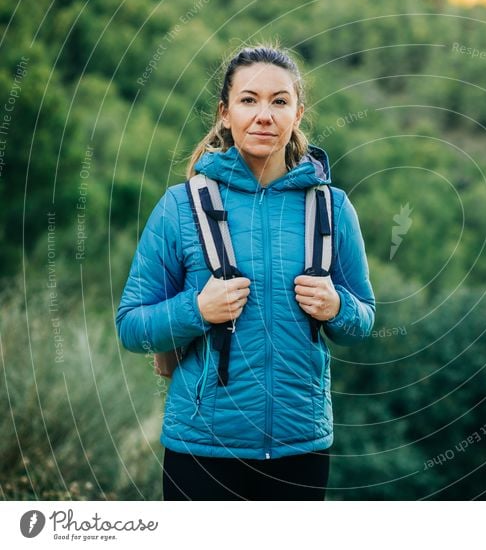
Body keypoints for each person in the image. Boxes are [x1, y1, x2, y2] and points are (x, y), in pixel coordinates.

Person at [115, 45, 376, 500]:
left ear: (298, 113)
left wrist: (339, 307)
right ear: (225, 112)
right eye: (248, 100)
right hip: (201, 451)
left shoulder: (331, 208)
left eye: (279, 101)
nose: (264, 115)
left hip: (302, 450)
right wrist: (196, 309)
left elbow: (364, 320)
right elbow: (131, 326)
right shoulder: (181, 207)